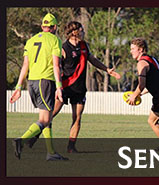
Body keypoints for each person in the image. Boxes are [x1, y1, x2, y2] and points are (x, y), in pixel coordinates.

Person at [27, 21, 121, 153]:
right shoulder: (64, 48)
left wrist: (107, 70)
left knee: (77, 118)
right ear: (75, 32)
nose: (84, 32)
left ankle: (71, 147)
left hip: (79, 89)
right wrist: (56, 85)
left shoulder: (84, 46)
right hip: (65, 87)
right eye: (82, 30)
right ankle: (34, 137)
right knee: (50, 115)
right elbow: (57, 66)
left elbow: (92, 59)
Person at [10, 13, 68, 161]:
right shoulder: (55, 40)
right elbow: (56, 65)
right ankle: (21, 141)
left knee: (45, 118)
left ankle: (51, 153)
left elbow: (25, 65)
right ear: (54, 27)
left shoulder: (31, 41)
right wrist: (59, 87)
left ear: (42, 26)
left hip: (32, 82)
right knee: (44, 120)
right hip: (45, 81)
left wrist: (18, 87)